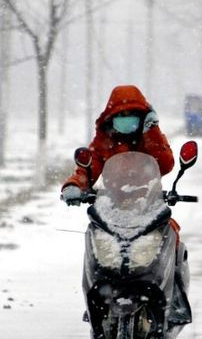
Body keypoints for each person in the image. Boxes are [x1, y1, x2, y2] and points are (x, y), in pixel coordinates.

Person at [61, 85, 191, 326]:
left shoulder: (149, 137)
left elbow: (166, 164)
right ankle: (94, 298)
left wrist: (151, 132)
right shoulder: (104, 141)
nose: (125, 123)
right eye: (120, 118)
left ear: (142, 118)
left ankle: (175, 301)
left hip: (148, 205)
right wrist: (74, 186)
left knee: (172, 237)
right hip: (113, 207)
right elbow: (87, 169)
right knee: (94, 240)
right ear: (111, 119)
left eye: (131, 117)